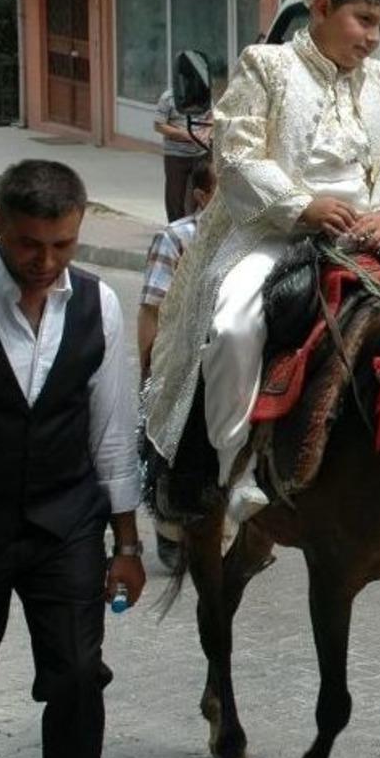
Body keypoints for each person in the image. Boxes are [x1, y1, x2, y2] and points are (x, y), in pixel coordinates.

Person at [144, 0, 380, 524]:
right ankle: (232, 469)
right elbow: (239, 150)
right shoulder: (268, 66)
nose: (371, 38)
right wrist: (303, 203)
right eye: (363, 19)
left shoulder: (378, 80)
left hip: (370, 229)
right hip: (276, 229)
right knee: (231, 326)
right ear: (324, 6)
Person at [0, 159, 146, 758]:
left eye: (62, 245)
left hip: (65, 526)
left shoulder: (99, 303)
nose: (46, 261)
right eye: (29, 243)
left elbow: (110, 432)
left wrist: (127, 544)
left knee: (79, 676)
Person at [137, 156, 215, 569]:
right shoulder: (176, 238)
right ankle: (169, 529)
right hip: (183, 354)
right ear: (202, 197)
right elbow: (152, 308)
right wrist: (150, 373)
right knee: (172, 442)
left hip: (226, 355)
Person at [154, 85, 210, 222]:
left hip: (200, 154)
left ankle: (194, 227)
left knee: (198, 195)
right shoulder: (168, 97)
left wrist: (205, 133)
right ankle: (175, 229)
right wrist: (185, 135)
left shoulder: (205, 95)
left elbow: (213, 117)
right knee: (175, 197)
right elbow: (158, 125)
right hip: (176, 155)